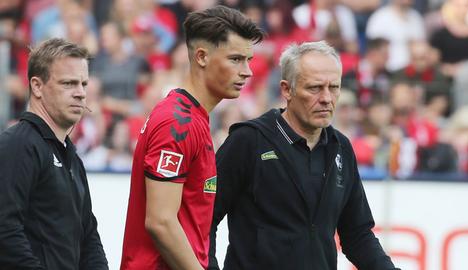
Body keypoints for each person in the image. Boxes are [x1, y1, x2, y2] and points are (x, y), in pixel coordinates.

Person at [208, 41, 399, 270]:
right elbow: (204, 218)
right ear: (287, 89)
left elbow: (357, 234)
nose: (327, 98)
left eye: (334, 87)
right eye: (315, 88)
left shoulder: (341, 148)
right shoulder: (248, 141)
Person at [120, 5, 264, 270]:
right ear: (201, 57)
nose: (247, 71)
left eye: (248, 60)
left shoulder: (191, 117)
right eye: (235, 59)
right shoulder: (178, 122)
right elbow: (160, 221)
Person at [0, 38, 108, 269]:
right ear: (37, 86)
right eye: (69, 83)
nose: (80, 93)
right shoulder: (17, 145)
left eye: (84, 84)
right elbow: (5, 231)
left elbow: (88, 236)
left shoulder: (72, 157)